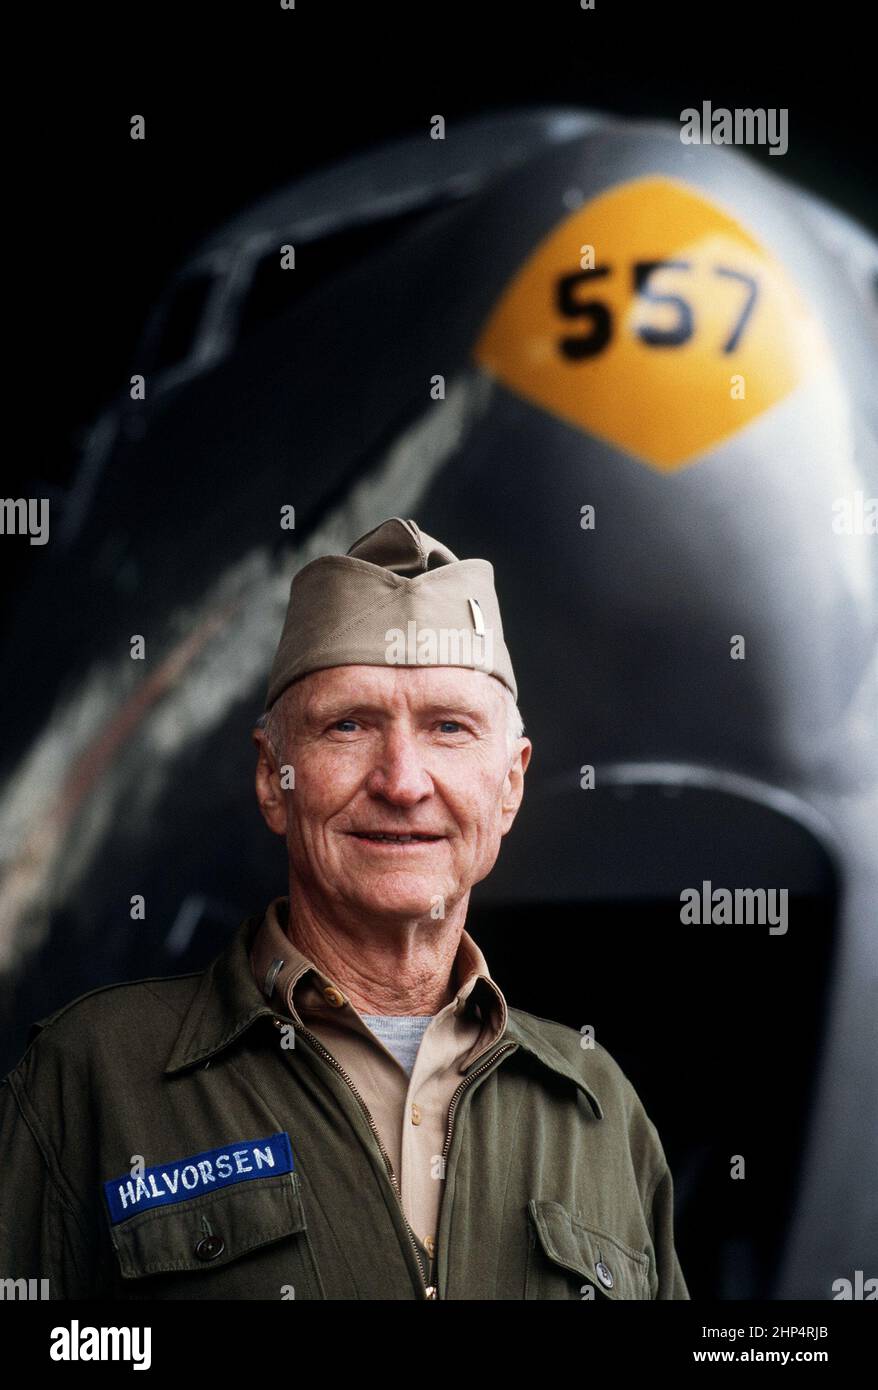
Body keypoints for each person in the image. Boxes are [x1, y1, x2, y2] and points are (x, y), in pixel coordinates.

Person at [0, 516, 689, 1300]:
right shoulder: (92, 1077)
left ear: (510, 785)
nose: (402, 780)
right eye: (350, 725)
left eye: (449, 729)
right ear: (273, 777)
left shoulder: (599, 1110)